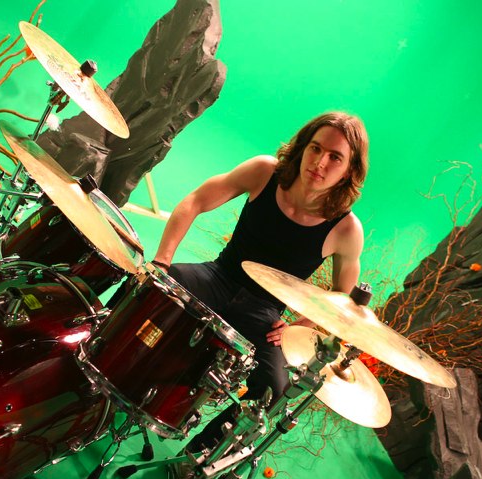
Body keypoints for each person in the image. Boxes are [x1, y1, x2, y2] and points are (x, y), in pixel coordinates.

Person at [151, 111, 369, 454]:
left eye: (335, 157)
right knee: (154, 287)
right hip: (218, 276)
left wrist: (300, 327)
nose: (320, 162)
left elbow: (342, 298)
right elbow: (196, 201)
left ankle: (194, 459)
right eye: (315, 148)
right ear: (303, 146)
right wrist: (162, 260)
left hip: (264, 313)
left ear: (349, 171)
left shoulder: (346, 229)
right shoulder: (265, 172)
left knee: (273, 391)